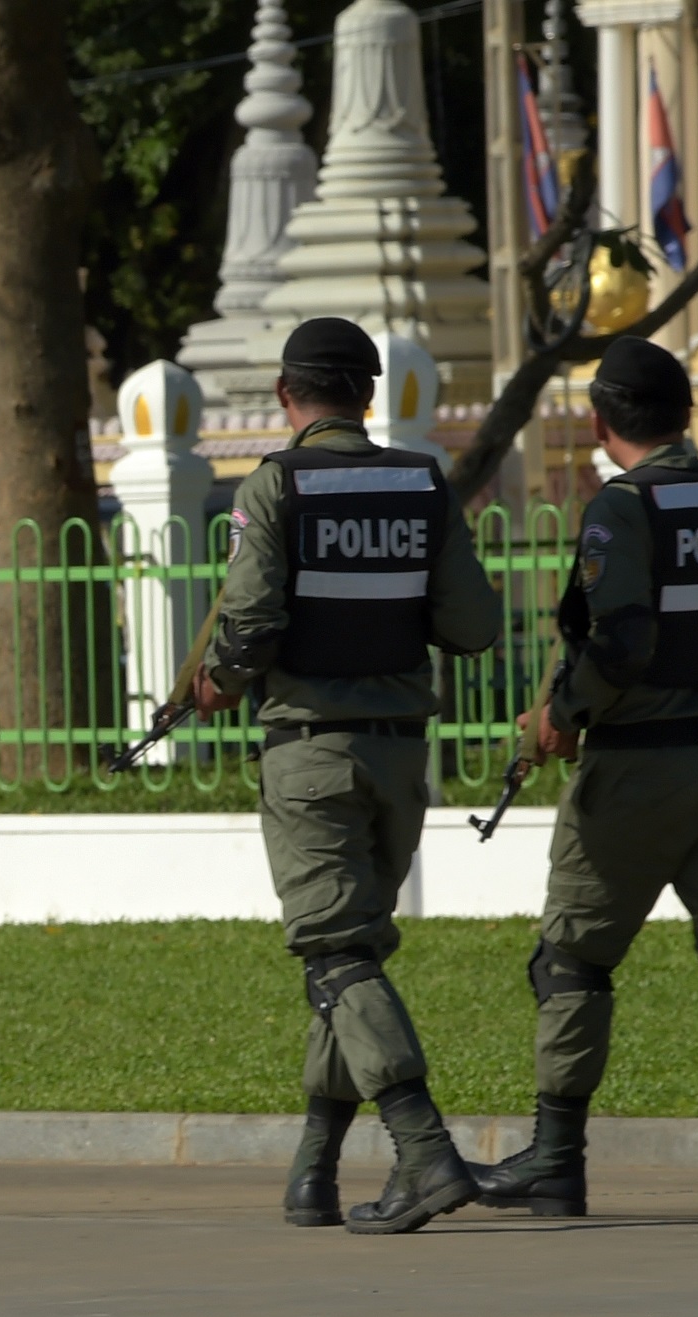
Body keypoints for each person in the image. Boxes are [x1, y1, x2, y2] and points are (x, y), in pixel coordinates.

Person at [472, 336, 698, 1220]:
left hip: (635, 770)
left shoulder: (620, 508)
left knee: (572, 961)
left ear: (601, 424)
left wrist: (562, 711)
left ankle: (558, 1162)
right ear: (684, 415)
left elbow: (621, 642)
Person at [194, 318, 502, 1233]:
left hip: (311, 753)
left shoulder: (275, 484)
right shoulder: (422, 483)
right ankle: (315, 1169)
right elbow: (475, 626)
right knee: (353, 954)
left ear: (285, 395)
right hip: (401, 753)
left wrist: (217, 680)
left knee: (336, 956)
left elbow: (249, 621)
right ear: (368, 397)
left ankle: (425, 1151)